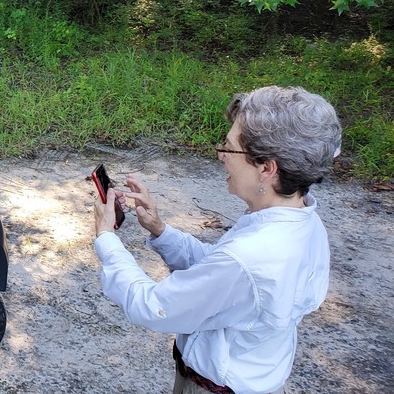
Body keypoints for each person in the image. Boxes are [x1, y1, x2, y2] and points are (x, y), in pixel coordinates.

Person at [92, 86, 342, 394]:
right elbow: (217, 272)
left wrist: (106, 237)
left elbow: (154, 306)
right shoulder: (301, 222)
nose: (221, 155)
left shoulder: (252, 256)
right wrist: (159, 229)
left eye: (230, 148)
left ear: (266, 168)